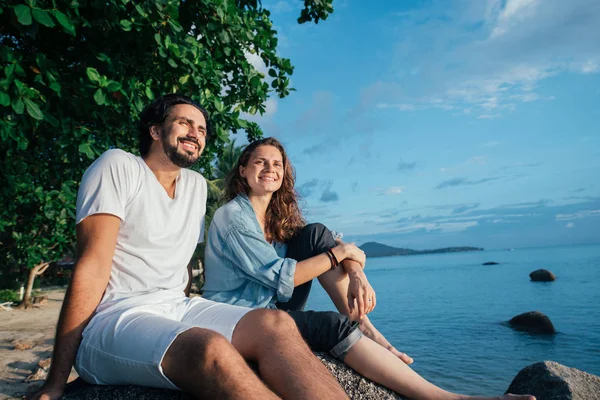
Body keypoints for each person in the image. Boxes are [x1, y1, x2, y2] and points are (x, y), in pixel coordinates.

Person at [29, 96, 348, 400]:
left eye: (202, 129)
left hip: (177, 306)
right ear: (155, 130)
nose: (196, 133)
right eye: (184, 123)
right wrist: (56, 381)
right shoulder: (118, 166)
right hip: (116, 315)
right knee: (209, 348)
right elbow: (92, 267)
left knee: (275, 324)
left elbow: (179, 266)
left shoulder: (195, 186)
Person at [203, 137, 535, 400]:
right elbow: (281, 276)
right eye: (260, 162)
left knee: (314, 233)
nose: (269, 168)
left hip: (270, 305)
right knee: (332, 325)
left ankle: (368, 328)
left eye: (276, 163)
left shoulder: (275, 220)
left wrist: (357, 273)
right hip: (240, 317)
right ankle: (446, 397)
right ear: (243, 170)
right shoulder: (233, 216)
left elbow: (336, 250)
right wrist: (342, 254)